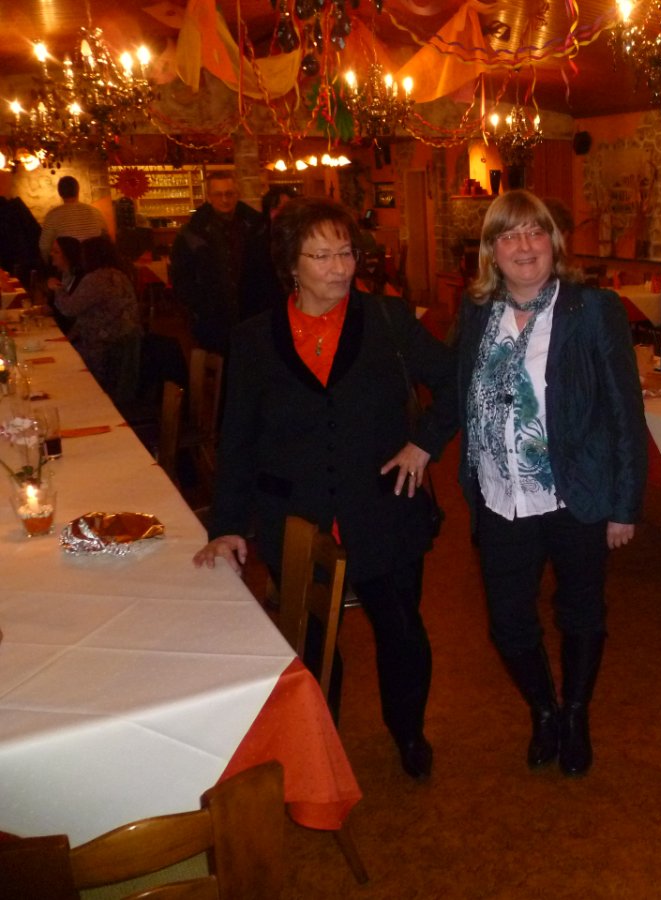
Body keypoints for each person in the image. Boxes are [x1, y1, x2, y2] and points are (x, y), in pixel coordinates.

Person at [193, 196, 457, 780]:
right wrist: (228, 525)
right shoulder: (255, 338)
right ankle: (321, 746)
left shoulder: (386, 320)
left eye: (346, 253)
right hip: (296, 515)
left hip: (384, 507)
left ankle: (408, 732)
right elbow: (237, 438)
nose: (340, 268)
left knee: (401, 631)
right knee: (312, 642)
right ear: (291, 264)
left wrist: (424, 444)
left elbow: (455, 380)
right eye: (322, 256)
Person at [457, 189, 646, 777]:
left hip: (574, 493)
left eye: (534, 232)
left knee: (581, 611)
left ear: (554, 242)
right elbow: (457, 393)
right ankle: (544, 710)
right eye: (508, 235)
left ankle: (577, 713)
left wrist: (624, 504)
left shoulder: (591, 309)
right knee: (508, 620)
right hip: (499, 496)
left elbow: (624, 411)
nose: (523, 245)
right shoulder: (477, 313)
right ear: (491, 251)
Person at [170, 171, 270, 355]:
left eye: (229, 193)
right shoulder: (193, 232)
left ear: (237, 194)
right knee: (218, 365)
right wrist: (200, 306)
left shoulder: (256, 226)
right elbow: (181, 276)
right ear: (209, 197)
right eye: (218, 194)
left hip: (253, 314)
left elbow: (267, 269)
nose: (224, 199)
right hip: (212, 317)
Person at [55, 235, 142, 403]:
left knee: (64, 365)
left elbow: (69, 309)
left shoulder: (96, 279)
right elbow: (91, 313)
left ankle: (78, 401)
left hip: (105, 348)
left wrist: (57, 289)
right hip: (127, 342)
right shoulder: (119, 275)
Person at [37, 176, 108, 262]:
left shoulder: (53, 215)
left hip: (69, 264)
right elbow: (106, 240)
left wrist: (49, 263)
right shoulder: (95, 212)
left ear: (60, 193)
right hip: (94, 261)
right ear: (78, 190)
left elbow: (44, 246)